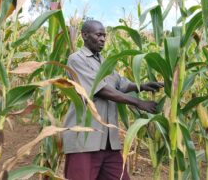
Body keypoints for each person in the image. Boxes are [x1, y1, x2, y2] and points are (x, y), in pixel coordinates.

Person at [63, 20, 164, 180]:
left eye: (104, 35)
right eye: (98, 35)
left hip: (109, 142)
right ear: (85, 35)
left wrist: (142, 86)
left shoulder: (105, 62)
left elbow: (121, 83)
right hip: (84, 140)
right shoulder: (76, 59)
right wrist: (138, 102)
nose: (103, 39)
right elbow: (101, 89)